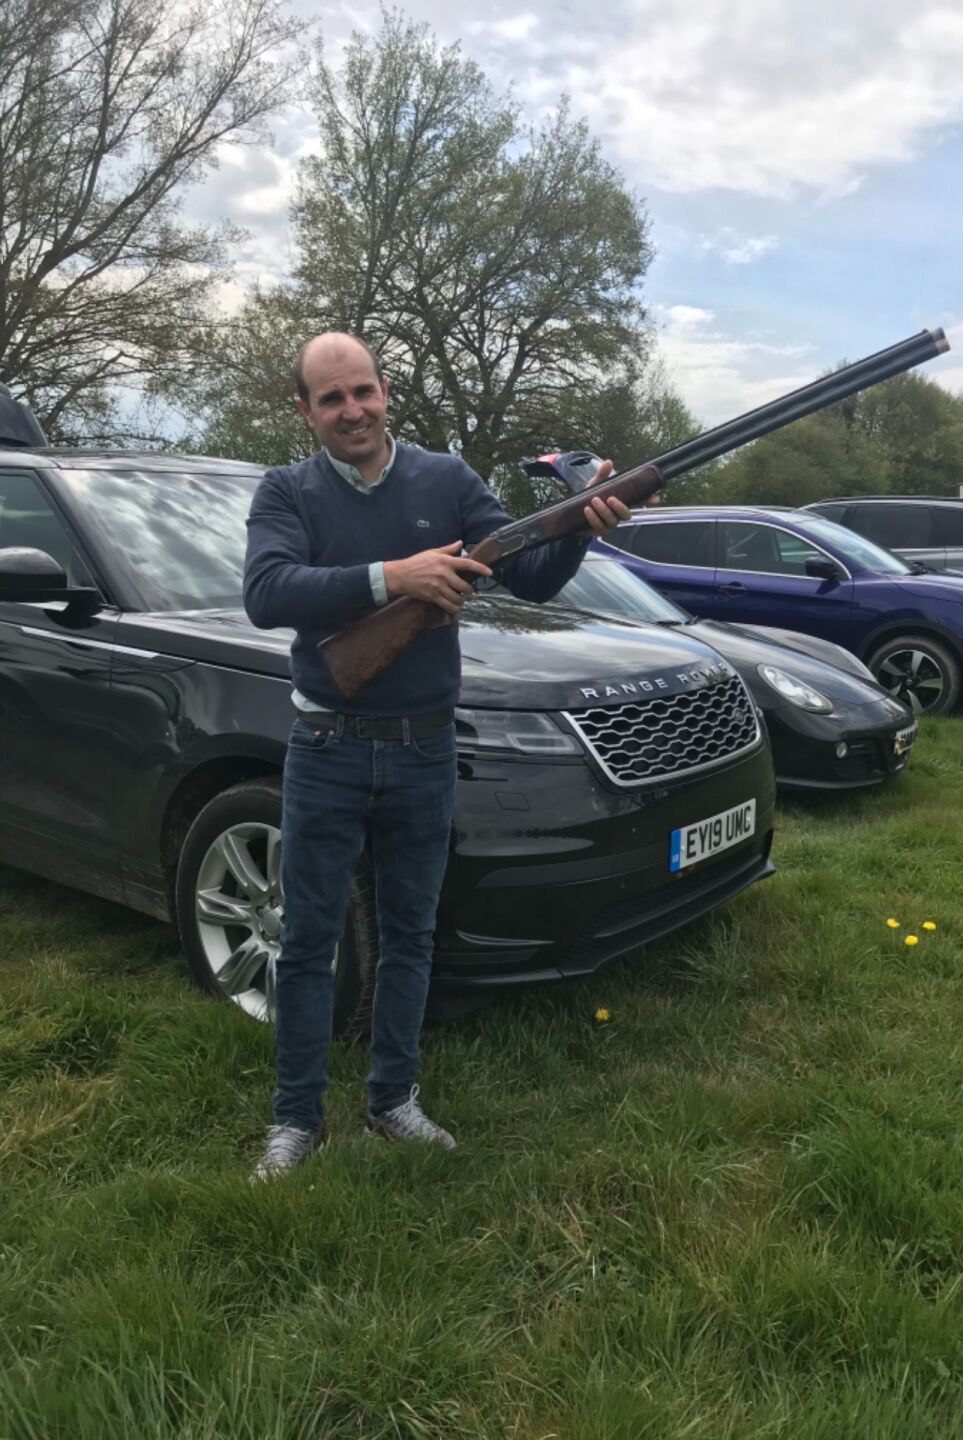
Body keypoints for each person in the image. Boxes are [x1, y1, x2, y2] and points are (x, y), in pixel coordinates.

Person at [242, 331, 629, 1179]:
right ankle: (296, 1119)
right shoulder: (286, 491)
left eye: (363, 391)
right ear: (305, 410)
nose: (353, 410)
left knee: (411, 935)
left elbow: (530, 576)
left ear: (386, 390)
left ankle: (393, 1099)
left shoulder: (447, 478)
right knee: (307, 940)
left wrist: (582, 524)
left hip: (424, 749)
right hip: (326, 746)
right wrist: (395, 577)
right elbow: (266, 593)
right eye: (332, 398)